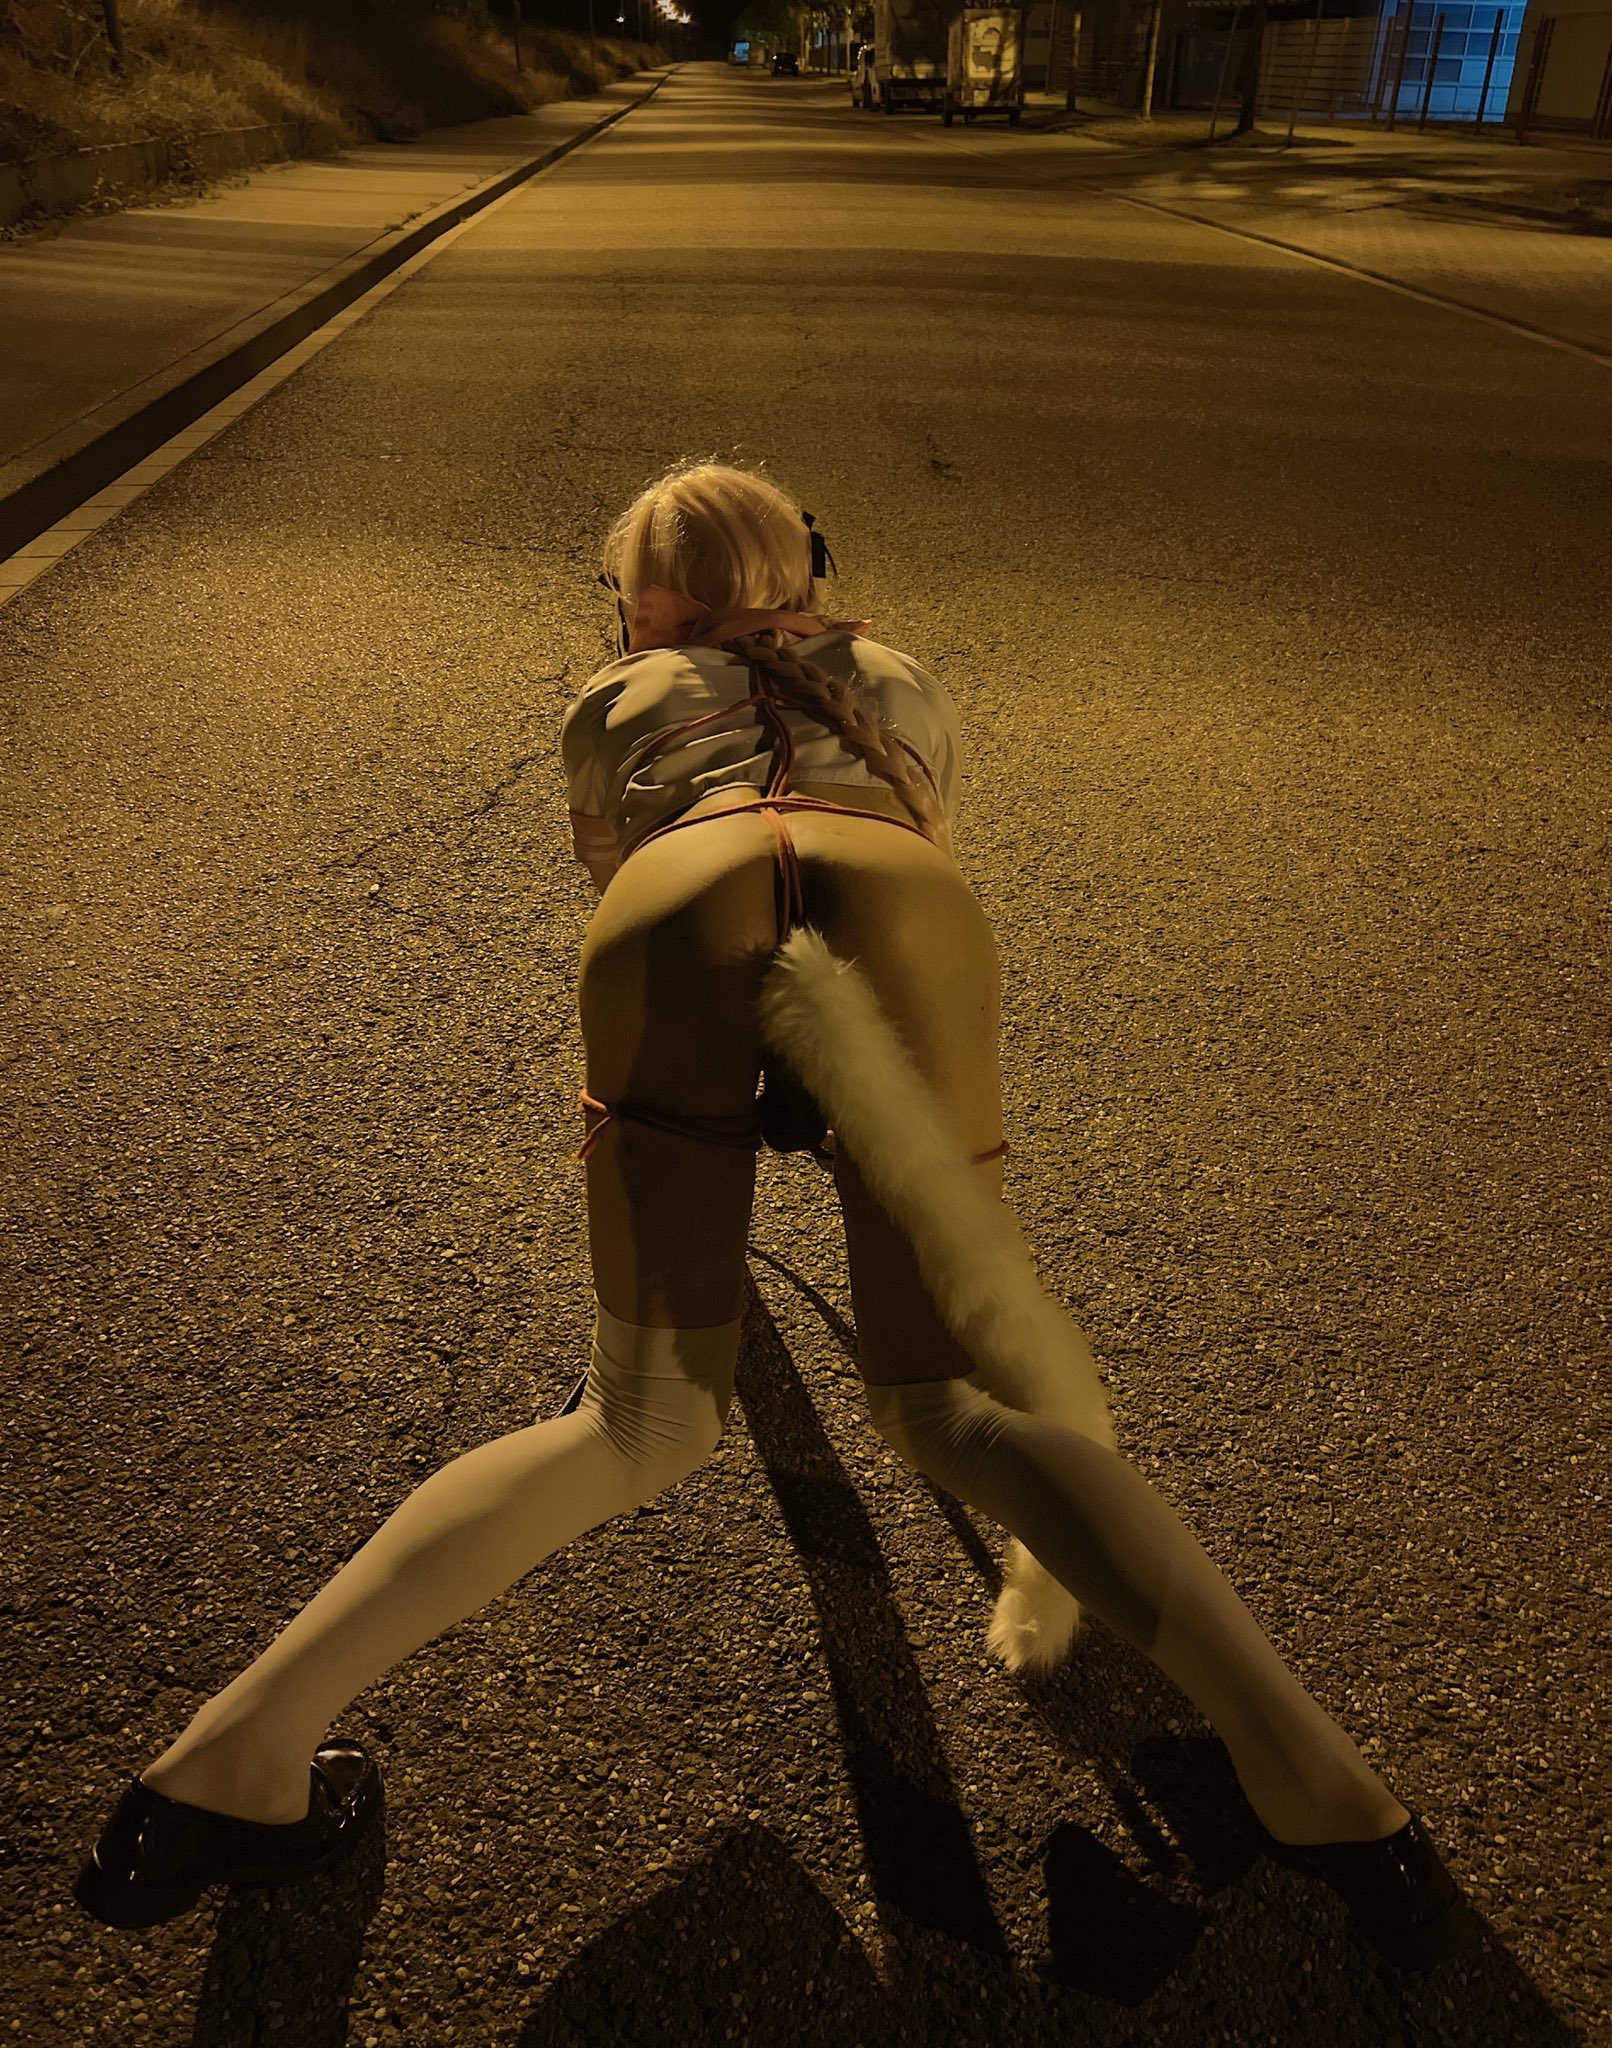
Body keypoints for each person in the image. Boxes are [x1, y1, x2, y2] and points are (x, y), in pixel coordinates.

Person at [75, 461, 1462, 1970]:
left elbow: (615, 876)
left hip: (680, 890)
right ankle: (1319, 1787)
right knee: (956, 1407)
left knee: (638, 1423)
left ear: (646, 601)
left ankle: (236, 1758)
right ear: (802, 576)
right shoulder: (900, 678)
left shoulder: (616, 698)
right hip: (900, 895)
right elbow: (905, 838)